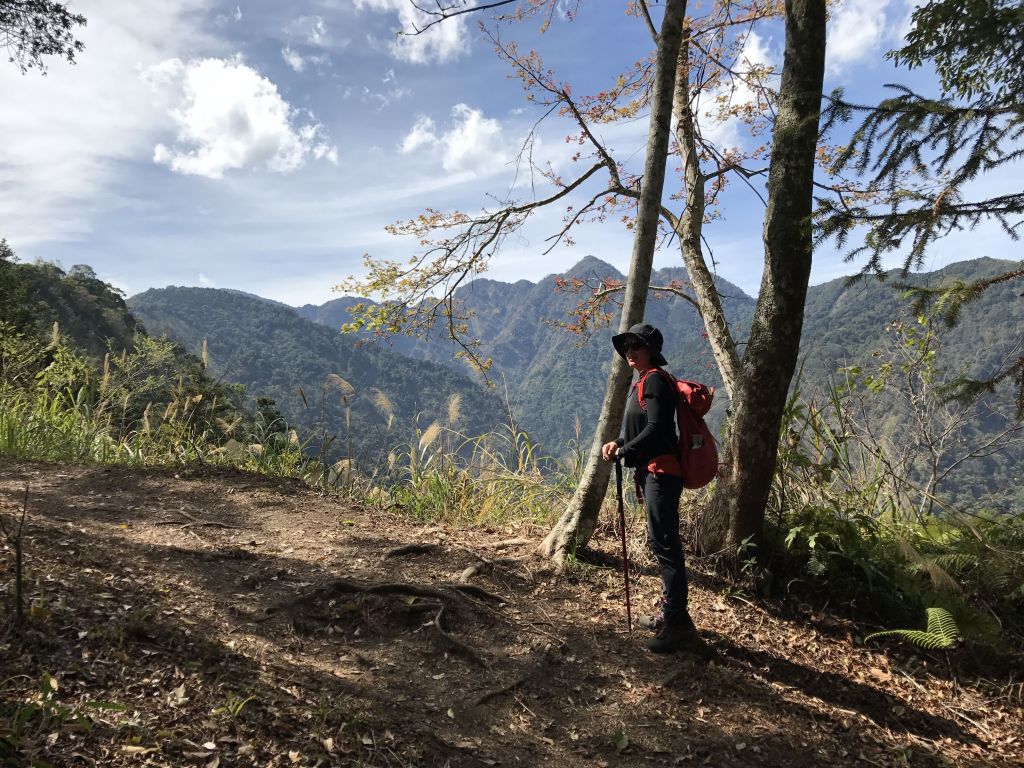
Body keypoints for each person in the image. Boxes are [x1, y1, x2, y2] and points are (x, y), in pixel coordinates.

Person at [601, 323, 704, 654]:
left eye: (637, 346)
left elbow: (658, 429)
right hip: (653, 473)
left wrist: (625, 451)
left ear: (650, 351)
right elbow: (640, 428)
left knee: (666, 545)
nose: (630, 351)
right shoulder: (643, 382)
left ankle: (677, 624)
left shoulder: (656, 379)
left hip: (662, 473)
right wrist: (617, 442)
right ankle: (670, 613)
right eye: (627, 346)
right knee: (660, 542)